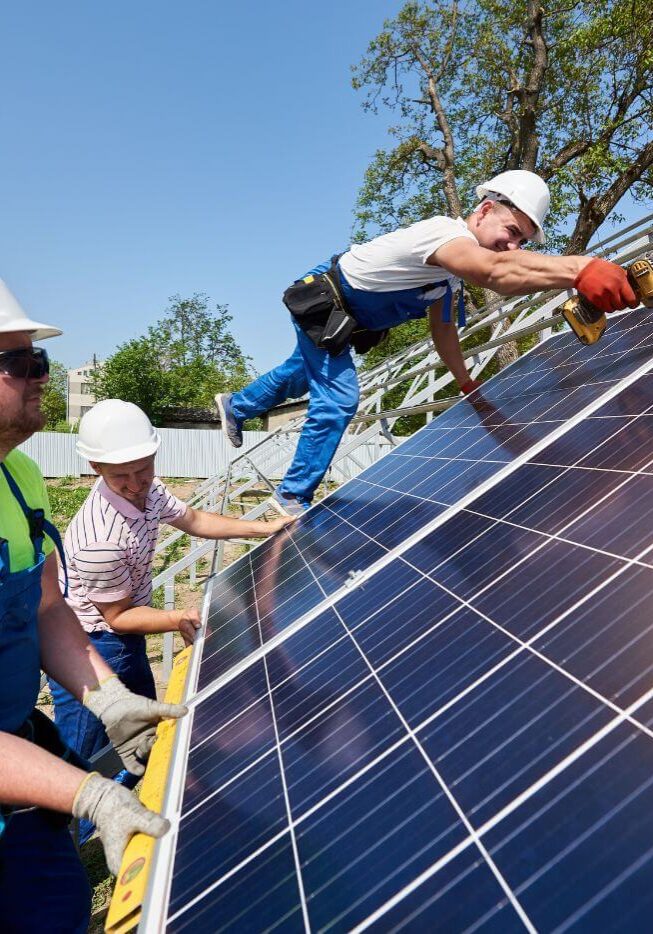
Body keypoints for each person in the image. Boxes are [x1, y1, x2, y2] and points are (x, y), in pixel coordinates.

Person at [216, 170, 638, 515]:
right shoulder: (442, 237)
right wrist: (580, 269)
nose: (513, 244)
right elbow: (495, 272)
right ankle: (292, 497)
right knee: (340, 399)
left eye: (522, 241)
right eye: (511, 231)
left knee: (299, 374)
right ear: (485, 210)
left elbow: (444, 332)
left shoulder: (448, 280)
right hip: (324, 301)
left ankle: (237, 405)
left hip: (344, 320)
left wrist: (466, 382)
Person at [0, 282, 186, 932]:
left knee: (58, 910)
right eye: (19, 364)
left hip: (19, 770)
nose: (41, 375)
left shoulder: (18, 477)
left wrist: (109, 699)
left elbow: (49, 608)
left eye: (39, 360)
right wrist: (89, 792)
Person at [50, 399, 295, 844]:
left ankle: (117, 810)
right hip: (90, 645)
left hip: (122, 637)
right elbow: (119, 617)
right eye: (120, 475)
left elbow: (195, 519)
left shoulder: (149, 489)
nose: (135, 483)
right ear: (95, 465)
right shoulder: (99, 538)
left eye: (143, 469)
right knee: (82, 756)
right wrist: (176, 616)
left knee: (142, 731)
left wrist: (259, 529)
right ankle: (69, 838)